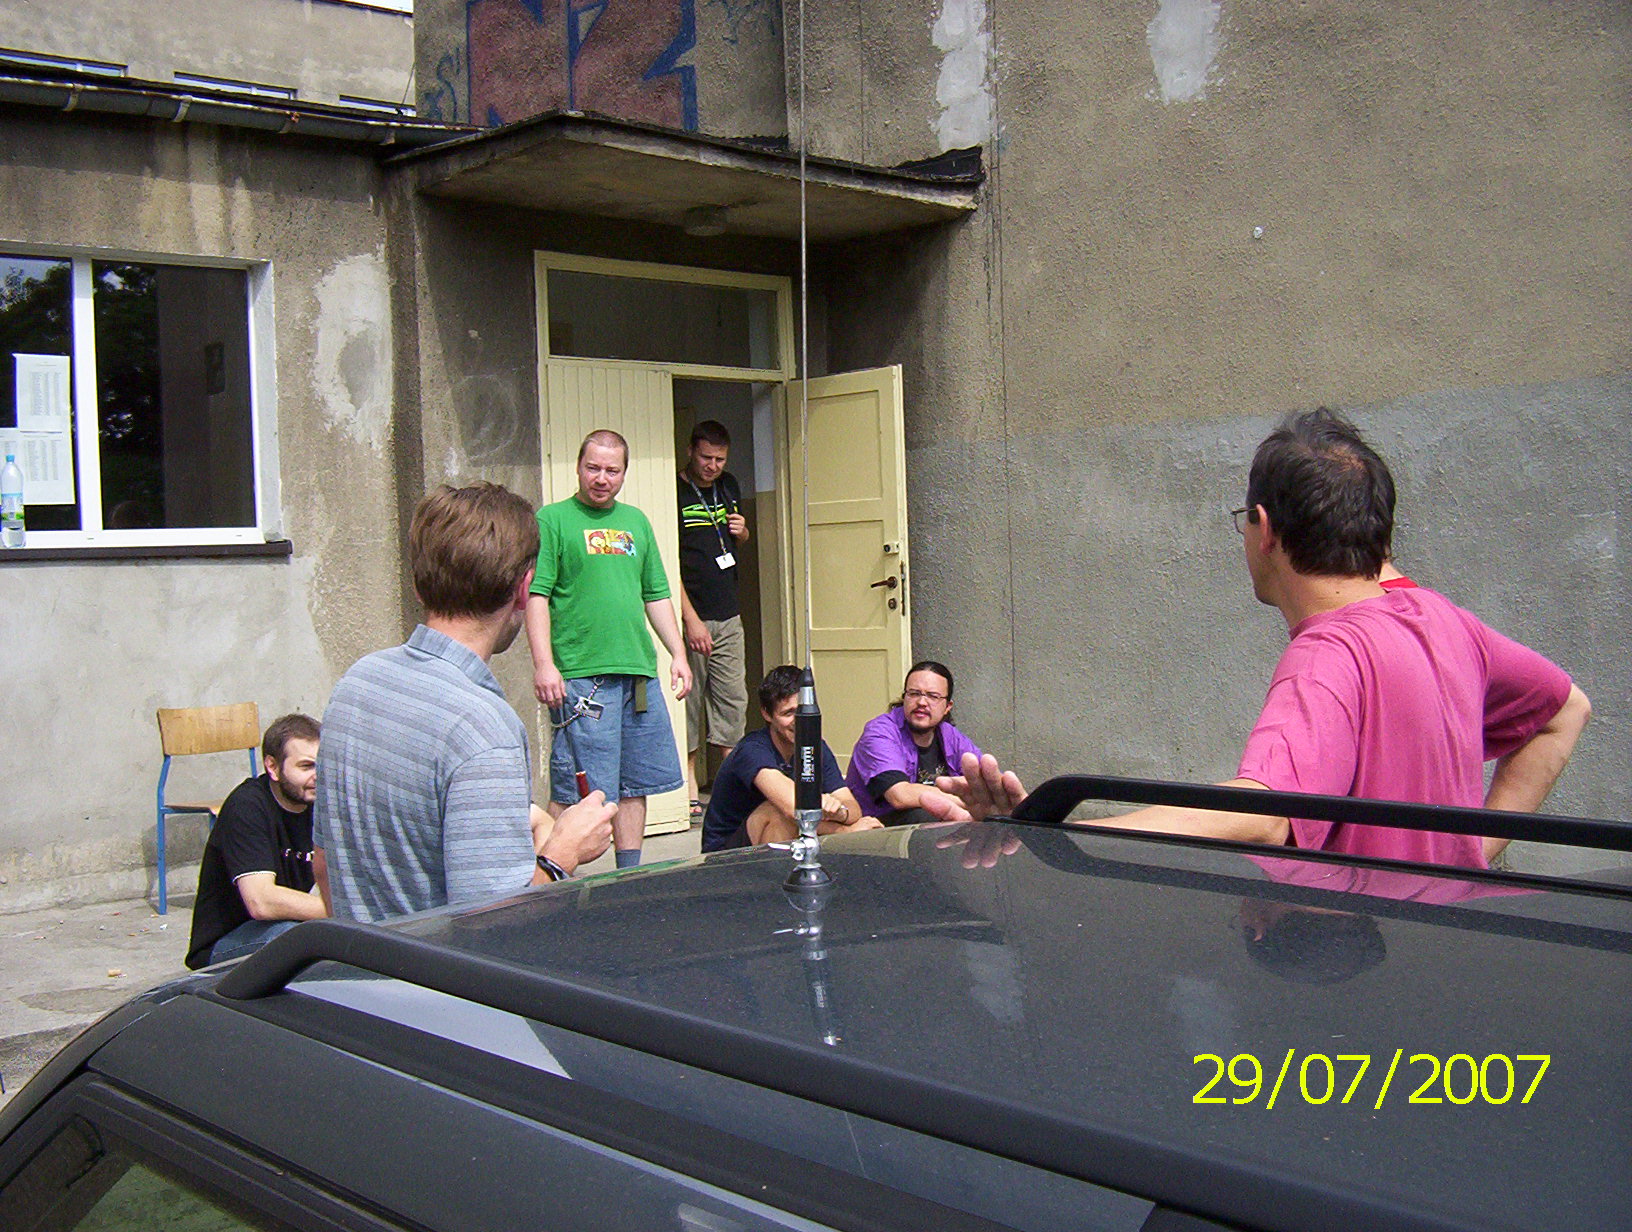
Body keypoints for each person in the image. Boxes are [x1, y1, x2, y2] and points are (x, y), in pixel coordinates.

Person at [928, 408, 1591, 869]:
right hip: (1439, 958)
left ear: (1265, 529)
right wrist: (1472, 857)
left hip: (1359, 985)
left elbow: (1264, 816)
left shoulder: (1328, 654)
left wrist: (1045, 838)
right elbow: (1565, 711)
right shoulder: (1447, 622)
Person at [314, 482, 615, 922]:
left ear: (419, 586)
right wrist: (561, 854)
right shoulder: (483, 728)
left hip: (356, 959)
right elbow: (491, 923)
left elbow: (325, 864)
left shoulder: (357, 683)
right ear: (523, 588)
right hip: (428, 969)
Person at [526, 429, 692, 868]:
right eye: (593, 468)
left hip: (637, 674)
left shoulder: (636, 521)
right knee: (575, 784)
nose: (602, 478)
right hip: (581, 677)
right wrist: (544, 664)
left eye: (612, 471)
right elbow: (537, 596)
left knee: (635, 781)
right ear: (578, 468)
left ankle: (629, 876)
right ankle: (549, 879)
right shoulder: (552, 520)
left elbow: (656, 594)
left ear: (624, 473)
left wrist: (678, 654)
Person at [185, 714, 326, 968]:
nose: (318, 776)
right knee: (297, 938)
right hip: (229, 941)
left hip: (292, 926)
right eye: (306, 767)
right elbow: (261, 902)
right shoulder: (247, 806)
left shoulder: (321, 804)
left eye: (323, 765)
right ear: (273, 767)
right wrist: (342, 912)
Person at [701, 665, 885, 851]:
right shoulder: (752, 749)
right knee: (779, 811)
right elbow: (793, 808)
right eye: (788, 713)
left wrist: (840, 813)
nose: (798, 720)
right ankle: (777, 871)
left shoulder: (816, 746)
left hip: (778, 838)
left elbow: (852, 808)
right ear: (766, 714)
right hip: (725, 854)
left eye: (803, 710)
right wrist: (844, 832)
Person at [677, 420, 751, 819]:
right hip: (692, 617)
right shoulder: (675, 492)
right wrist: (690, 620)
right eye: (706, 457)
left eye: (720, 459)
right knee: (688, 703)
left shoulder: (729, 486)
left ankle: (729, 790)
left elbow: (736, 543)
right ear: (691, 451)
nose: (712, 466)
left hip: (729, 614)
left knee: (731, 702)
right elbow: (666, 564)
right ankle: (688, 788)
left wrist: (743, 533)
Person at [845, 661, 982, 825]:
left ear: (947, 706)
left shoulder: (950, 735)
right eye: (914, 693)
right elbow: (900, 796)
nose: (922, 702)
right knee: (927, 816)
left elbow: (983, 783)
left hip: (931, 825)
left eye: (933, 696)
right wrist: (969, 803)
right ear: (904, 698)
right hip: (880, 828)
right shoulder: (879, 732)